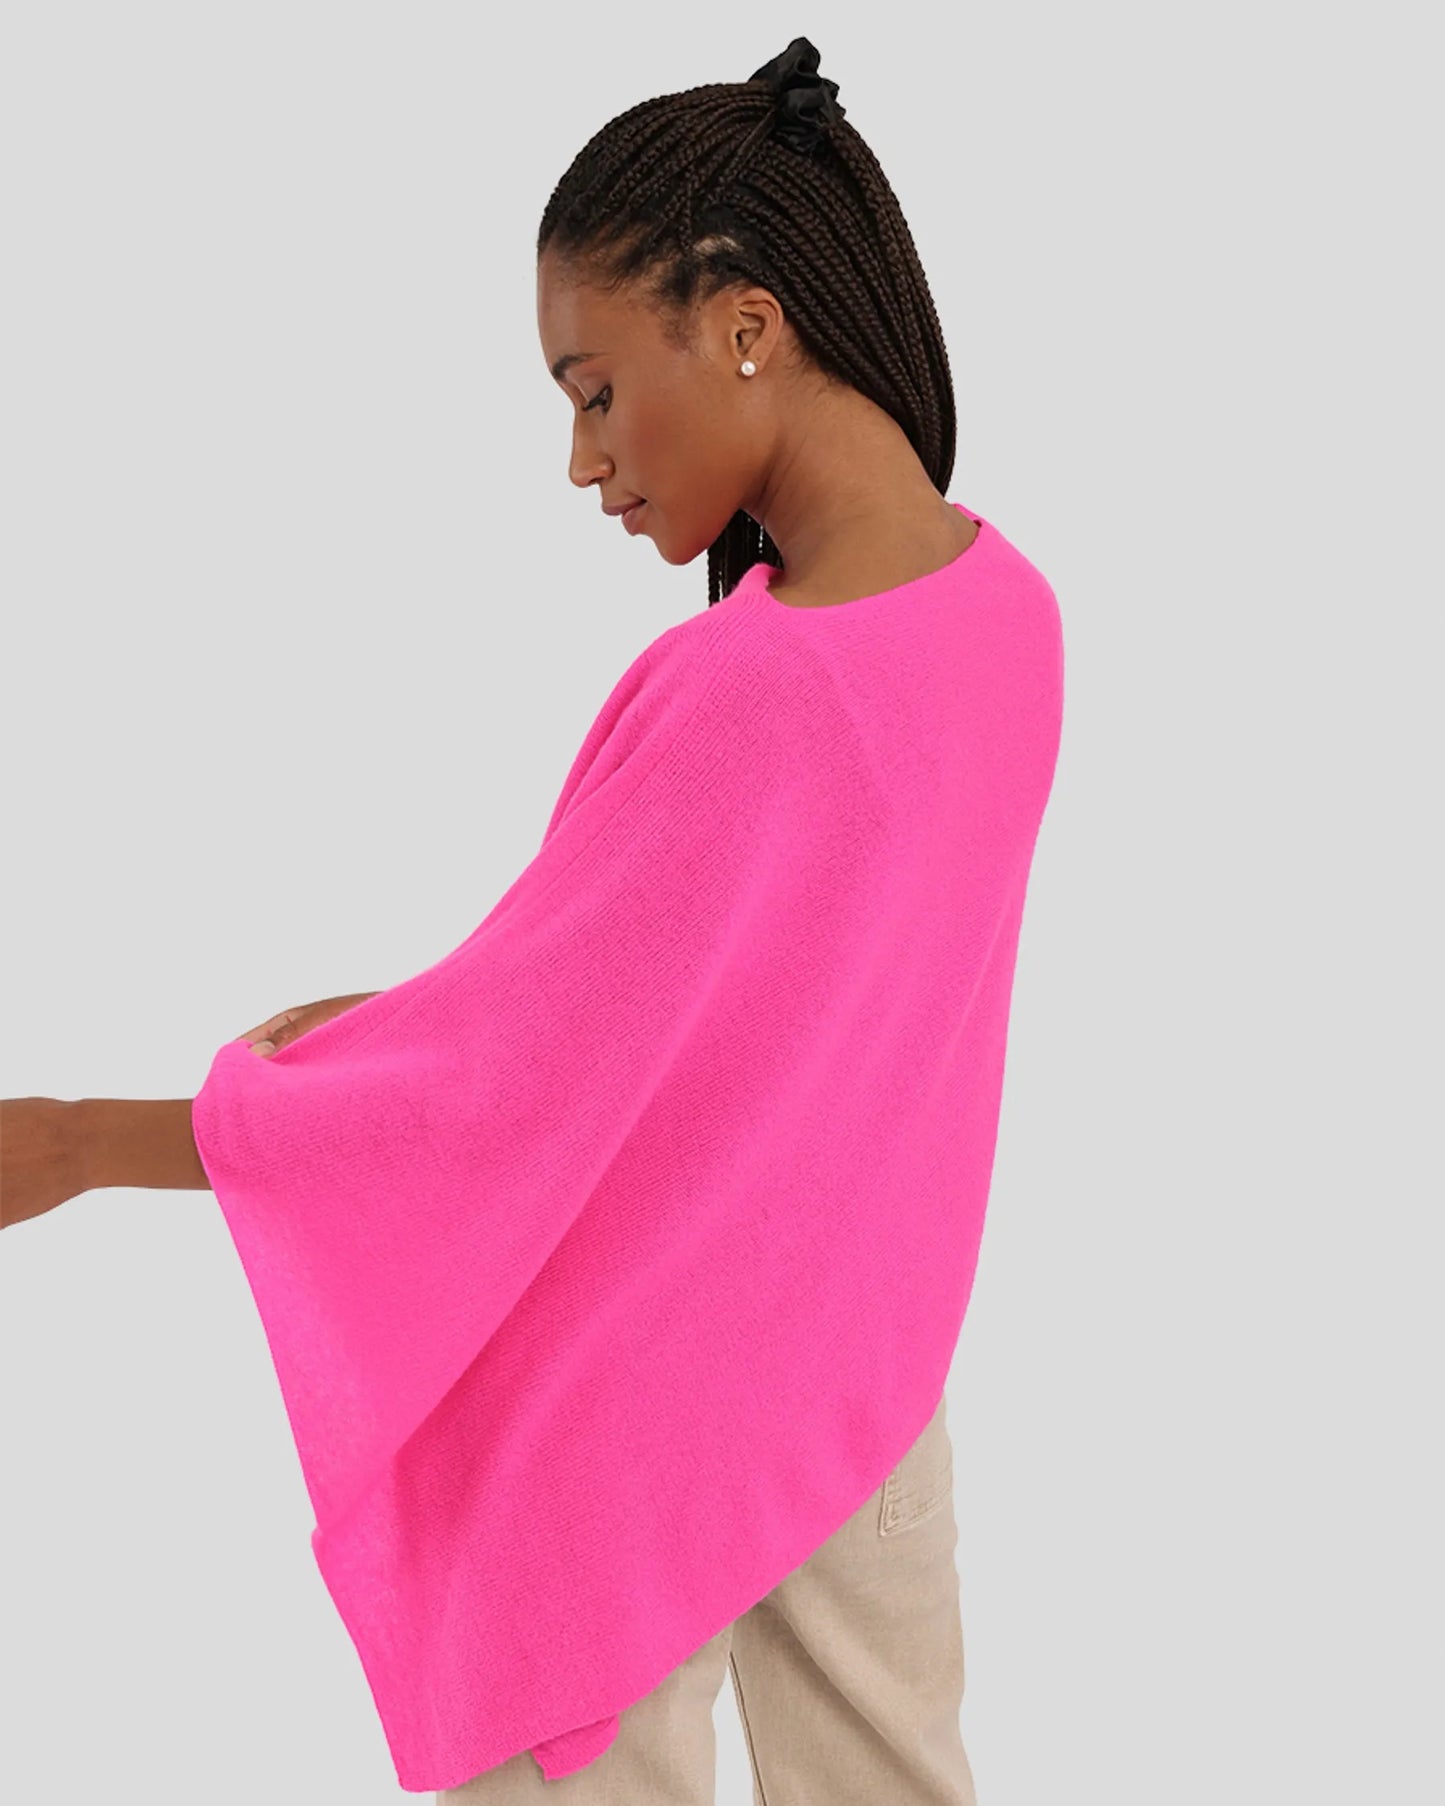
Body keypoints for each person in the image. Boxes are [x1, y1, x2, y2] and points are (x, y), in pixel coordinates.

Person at [1, 38, 1063, 1803]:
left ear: (745, 325)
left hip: (630, 1428)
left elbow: (514, 1080)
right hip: (867, 1395)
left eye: (594, 389)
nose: (582, 459)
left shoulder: (745, 691)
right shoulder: (1005, 611)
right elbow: (731, 1004)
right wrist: (437, 1010)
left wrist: (79, 1140)